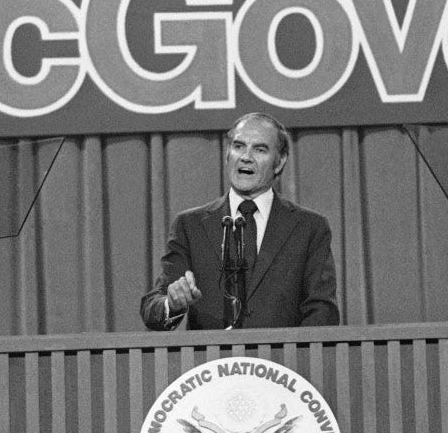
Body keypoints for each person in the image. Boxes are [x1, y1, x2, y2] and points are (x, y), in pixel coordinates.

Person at [140, 112, 340, 330]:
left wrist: (293, 360)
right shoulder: (190, 226)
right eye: (238, 146)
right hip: (213, 362)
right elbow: (153, 309)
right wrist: (172, 303)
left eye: (260, 149)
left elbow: (322, 311)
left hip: (281, 361)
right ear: (228, 154)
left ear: (280, 161)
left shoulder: (309, 228)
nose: (246, 157)